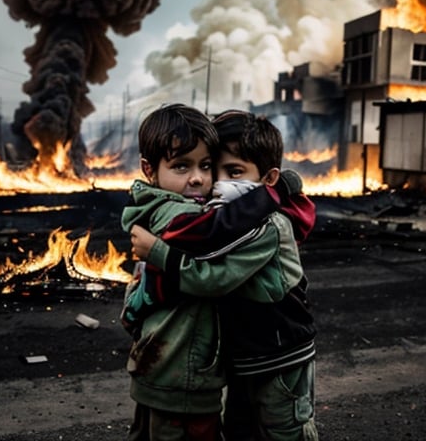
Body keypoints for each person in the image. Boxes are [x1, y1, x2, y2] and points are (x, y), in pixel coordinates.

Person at [128, 109, 319, 440]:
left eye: (233, 172)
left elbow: (212, 276)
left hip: (279, 358)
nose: (214, 181)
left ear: (268, 179)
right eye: (215, 170)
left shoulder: (264, 224)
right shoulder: (200, 212)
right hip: (244, 358)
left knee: (284, 431)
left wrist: (156, 252)